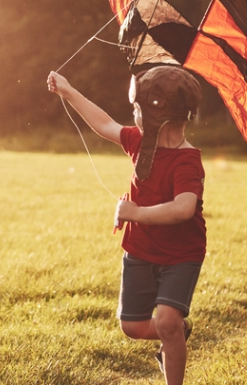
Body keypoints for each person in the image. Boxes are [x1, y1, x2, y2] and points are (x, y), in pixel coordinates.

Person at [47, 65, 205, 385]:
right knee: (132, 327)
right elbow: (104, 123)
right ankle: (177, 332)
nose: (133, 113)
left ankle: (172, 340)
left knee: (167, 321)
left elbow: (184, 208)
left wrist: (136, 213)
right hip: (141, 250)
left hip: (180, 255)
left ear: (156, 116)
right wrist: (68, 90)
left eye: (138, 108)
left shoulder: (187, 160)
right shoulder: (139, 141)